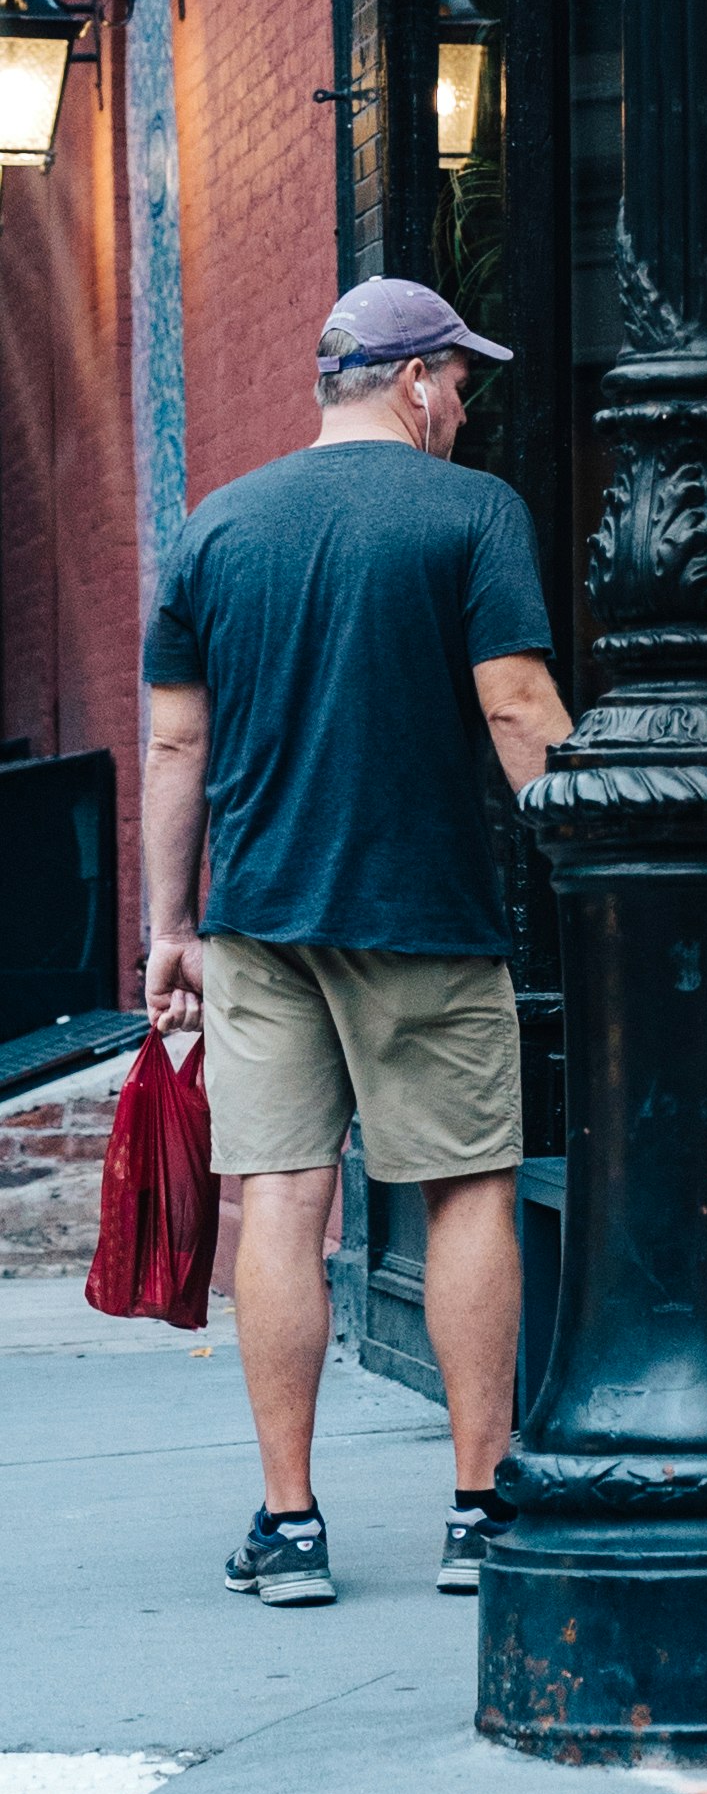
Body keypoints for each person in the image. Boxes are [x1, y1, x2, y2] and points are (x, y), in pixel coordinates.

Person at [140, 279, 571, 1609]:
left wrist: (169, 926)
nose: (466, 410)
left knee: (281, 1196)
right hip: (430, 917)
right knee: (467, 1190)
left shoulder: (217, 527)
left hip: (263, 922)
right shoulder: (474, 513)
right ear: (413, 379)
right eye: (461, 385)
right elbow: (518, 713)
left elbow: (173, 742)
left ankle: (289, 1524)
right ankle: (477, 1507)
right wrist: (602, 883)